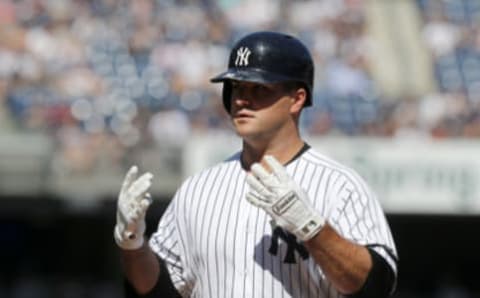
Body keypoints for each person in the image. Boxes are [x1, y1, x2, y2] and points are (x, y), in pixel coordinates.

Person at [114, 31, 398, 298]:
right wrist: (134, 246)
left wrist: (312, 228)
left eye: (259, 88)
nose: (242, 99)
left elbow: (376, 285)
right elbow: (158, 291)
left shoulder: (339, 185)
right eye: (236, 87)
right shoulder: (198, 188)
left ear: (297, 99)